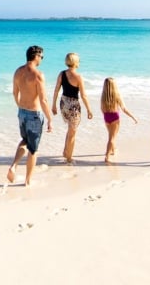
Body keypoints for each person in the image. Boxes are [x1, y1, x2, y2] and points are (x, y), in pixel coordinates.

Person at [7, 45, 52, 186]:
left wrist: (19, 106)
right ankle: (27, 181)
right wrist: (50, 119)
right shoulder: (38, 75)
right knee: (33, 149)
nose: (42, 59)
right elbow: (43, 100)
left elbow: (15, 93)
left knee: (24, 140)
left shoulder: (18, 72)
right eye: (42, 57)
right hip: (34, 115)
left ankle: (14, 165)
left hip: (22, 113)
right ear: (36, 56)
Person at [51, 52, 92, 163]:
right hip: (73, 106)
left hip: (63, 103)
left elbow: (56, 90)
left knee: (70, 129)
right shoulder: (78, 77)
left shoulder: (62, 74)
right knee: (73, 132)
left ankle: (65, 151)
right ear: (76, 62)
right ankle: (69, 158)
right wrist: (89, 109)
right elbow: (83, 95)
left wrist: (53, 105)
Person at [100, 77, 137, 163]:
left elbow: (102, 108)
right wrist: (133, 117)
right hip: (115, 117)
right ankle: (107, 156)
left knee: (111, 135)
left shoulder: (103, 97)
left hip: (106, 116)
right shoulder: (117, 95)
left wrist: (106, 116)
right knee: (112, 138)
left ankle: (113, 150)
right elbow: (124, 109)